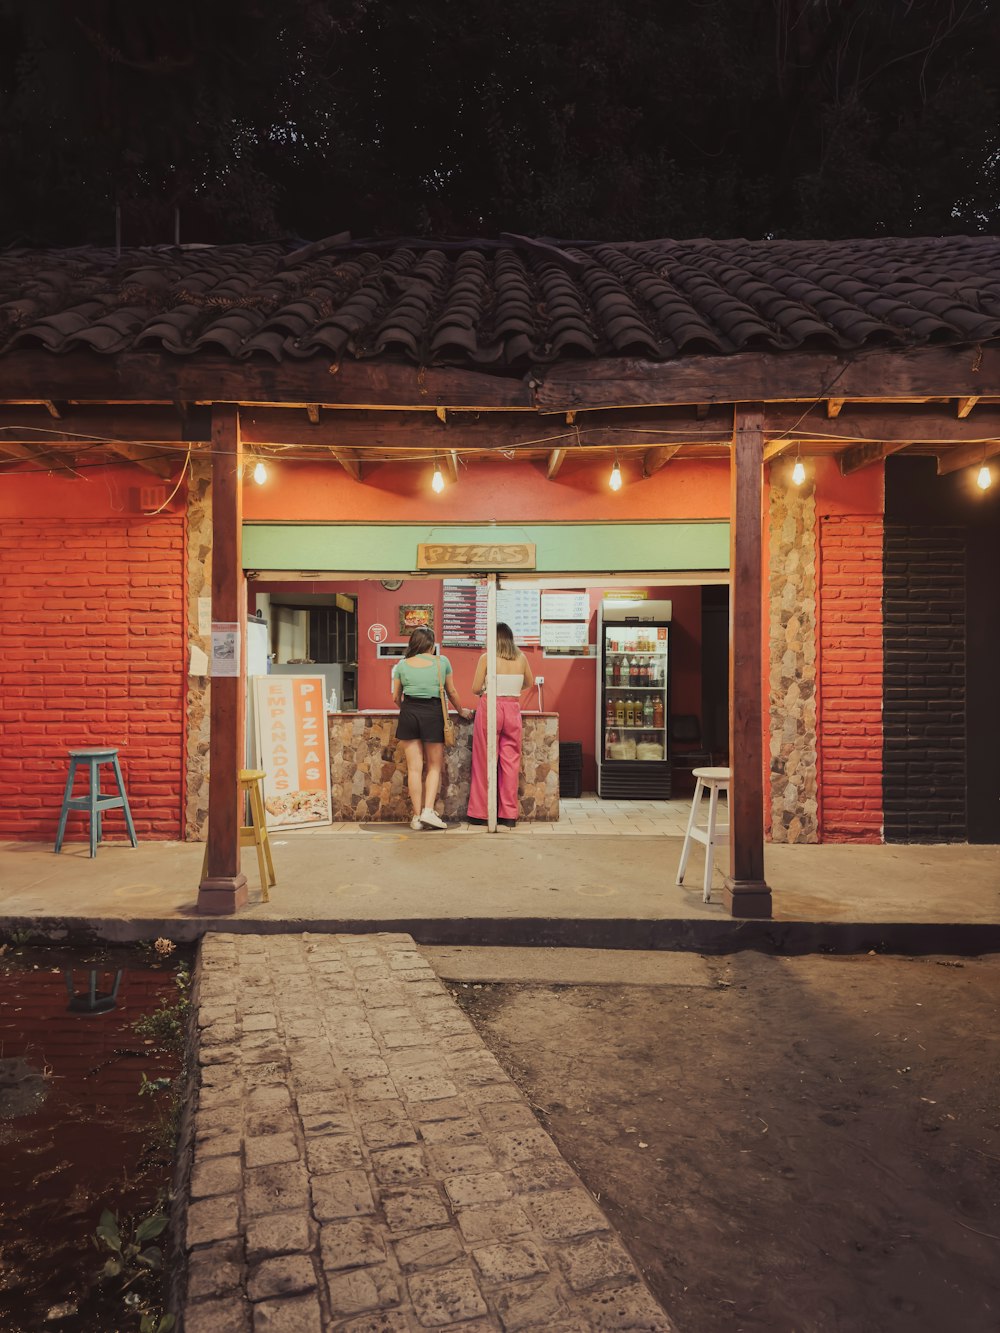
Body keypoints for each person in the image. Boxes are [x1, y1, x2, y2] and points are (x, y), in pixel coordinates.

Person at [391, 627, 471, 831]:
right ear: (430, 644)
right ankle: (428, 810)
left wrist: (407, 710)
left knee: (414, 769)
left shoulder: (401, 665)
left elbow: (395, 697)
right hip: (433, 712)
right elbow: (451, 691)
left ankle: (417, 817)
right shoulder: (441, 662)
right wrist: (461, 711)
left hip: (409, 712)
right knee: (434, 766)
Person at [467, 622, 534, 829]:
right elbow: (528, 683)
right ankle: (508, 815)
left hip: (491, 707)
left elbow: (475, 688)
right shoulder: (521, 658)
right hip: (513, 708)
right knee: (510, 762)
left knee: (484, 760)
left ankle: (480, 813)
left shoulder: (487, 657)